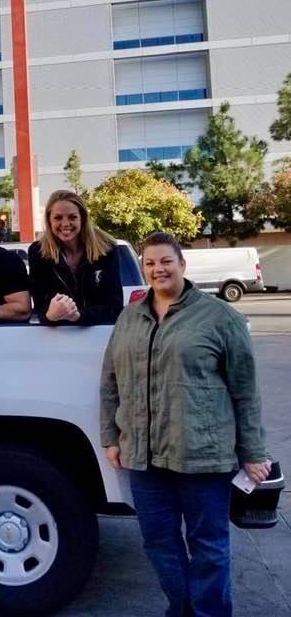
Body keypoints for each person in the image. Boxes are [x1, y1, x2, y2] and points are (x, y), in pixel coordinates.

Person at [100, 232, 271, 617]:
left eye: (166, 261)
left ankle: (208, 612)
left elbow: (245, 390)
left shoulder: (219, 317)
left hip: (202, 455)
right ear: (143, 268)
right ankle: (183, 609)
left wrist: (253, 452)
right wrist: (111, 436)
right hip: (142, 455)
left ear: (182, 264)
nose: (158, 269)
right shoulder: (130, 317)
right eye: (150, 263)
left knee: (209, 545)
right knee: (158, 543)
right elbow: (110, 381)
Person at [28, 189, 123, 325]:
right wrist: (49, 316)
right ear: (49, 220)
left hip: (99, 334)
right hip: (57, 337)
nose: (65, 224)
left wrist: (78, 316)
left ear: (82, 218)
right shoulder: (38, 252)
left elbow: (115, 307)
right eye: (58, 217)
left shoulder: (107, 249)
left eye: (72, 217)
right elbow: (40, 307)